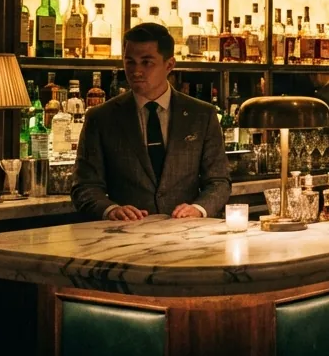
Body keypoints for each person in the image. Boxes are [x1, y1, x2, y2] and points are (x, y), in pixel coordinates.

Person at [73, 23, 231, 221]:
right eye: (130, 62)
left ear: (169, 65)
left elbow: (219, 181)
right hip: (124, 237)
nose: (136, 71)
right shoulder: (101, 117)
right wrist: (110, 209)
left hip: (186, 235)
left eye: (146, 62)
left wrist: (198, 209)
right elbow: (84, 186)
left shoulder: (201, 115)